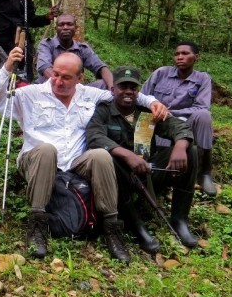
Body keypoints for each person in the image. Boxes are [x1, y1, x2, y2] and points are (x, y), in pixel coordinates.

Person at [0, 51, 168, 263]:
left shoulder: (90, 95)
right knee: (47, 150)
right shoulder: (31, 94)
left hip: (74, 163)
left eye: (66, 77)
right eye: (55, 74)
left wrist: (153, 102)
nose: (58, 81)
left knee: (100, 155)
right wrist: (7, 66)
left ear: (80, 78)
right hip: (37, 160)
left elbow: (121, 94)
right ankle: (37, 225)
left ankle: (111, 228)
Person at [85, 66, 200, 251]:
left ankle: (179, 220)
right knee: (108, 157)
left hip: (147, 172)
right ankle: (138, 226)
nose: (128, 91)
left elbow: (177, 126)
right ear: (113, 89)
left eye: (133, 87)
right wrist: (126, 154)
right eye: (123, 87)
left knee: (190, 151)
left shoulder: (147, 111)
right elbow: (94, 136)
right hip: (119, 178)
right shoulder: (103, 111)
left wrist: (180, 145)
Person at [141, 40, 217, 197]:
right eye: (177, 54)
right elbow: (142, 96)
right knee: (146, 122)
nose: (180, 57)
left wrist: (171, 112)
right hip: (158, 120)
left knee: (204, 116)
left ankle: (204, 172)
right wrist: (156, 108)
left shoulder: (202, 78)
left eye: (185, 53)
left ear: (196, 57)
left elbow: (201, 106)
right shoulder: (161, 73)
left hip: (186, 120)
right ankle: (156, 172)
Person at [36, 14, 113, 90]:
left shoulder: (82, 48)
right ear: (56, 28)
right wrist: (65, 85)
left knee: (105, 83)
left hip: (75, 90)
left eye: (69, 24)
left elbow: (101, 67)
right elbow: (44, 67)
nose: (65, 27)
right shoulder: (46, 44)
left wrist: (112, 88)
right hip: (49, 89)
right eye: (61, 25)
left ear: (75, 28)